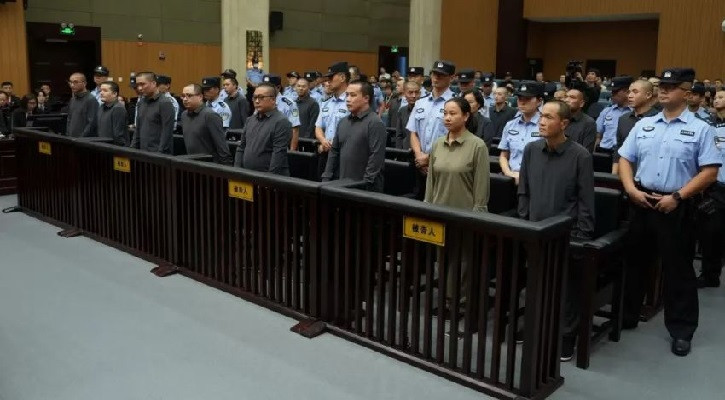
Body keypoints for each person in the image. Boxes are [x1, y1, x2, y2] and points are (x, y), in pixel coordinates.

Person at [618, 68, 721, 357]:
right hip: (642, 201)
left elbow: (710, 172)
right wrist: (631, 189)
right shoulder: (645, 125)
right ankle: (628, 315)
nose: (664, 90)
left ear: (687, 93)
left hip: (676, 205)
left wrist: (677, 197)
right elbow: (625, 158)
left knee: (679, 270)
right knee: (634, 263)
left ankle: (682, 330)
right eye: (662, 85)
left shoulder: (702, 129)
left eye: (672, 86)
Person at [518, 100, 595, 361]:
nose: (542, 121)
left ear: (564, 124)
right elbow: (524, 190)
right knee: (534, 283)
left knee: (566, 289)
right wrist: (524, 222)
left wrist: (581, 236)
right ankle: (533, 327)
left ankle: (565, 336)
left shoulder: (580, 156)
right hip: (534, 230)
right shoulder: (531, 150)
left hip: (566, 235)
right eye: (542, 116)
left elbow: (585, 201)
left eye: (549, 117)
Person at [321, 80, 386, 192]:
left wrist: (365, 183)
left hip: (366, 189)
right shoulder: (343, 122)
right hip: (343, 185)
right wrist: (326, 177)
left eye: (353, 95)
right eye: (347, 95)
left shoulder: (375, 123)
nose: (348, 99)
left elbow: (376, 157)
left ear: (366, 98)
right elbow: (334, 152)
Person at [408, 60, 456, 199]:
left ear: (452, 77)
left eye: (441, 75)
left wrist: (429, 159)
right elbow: (413, 132)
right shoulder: (420, 102)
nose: (436, 78)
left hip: (443, 164)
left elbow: (455, 137)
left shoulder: (456, 103)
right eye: (434, 74)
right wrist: (419, 156)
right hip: (419, 165)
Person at [696, 88, 725, 288]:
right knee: (711, 232)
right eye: (716, 97)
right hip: (715, 188)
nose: (716, 100)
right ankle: (709, 275)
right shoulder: (707, 125)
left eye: (721, 97)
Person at [234, 83, 291, 175]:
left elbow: (278, 154)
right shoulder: (250, 120)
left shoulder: (281, 121)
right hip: (247, 175)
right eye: (255, 97)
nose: (257, 101)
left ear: (273, 99)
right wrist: (236, 171)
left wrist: (268, 179)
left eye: (261, 97)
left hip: (269, 178)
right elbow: (241, 147)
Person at [498, 81, 544, 184]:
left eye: (527, 99)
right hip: (510, 178)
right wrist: (509, 173)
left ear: (539, 101)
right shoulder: (510, 125)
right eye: (519, 99)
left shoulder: (545, 125)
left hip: (535, 180)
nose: (522, 102)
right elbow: (503, 156)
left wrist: (524, 177)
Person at [612, 79, 659, 174]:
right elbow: (619, 150)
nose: (629, 95)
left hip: (649, 175)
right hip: (624, 173)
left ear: (648, 95)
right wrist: (614, 174)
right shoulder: (623, 119)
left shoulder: (659, 120)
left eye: (635, 92)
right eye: (629, 92)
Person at [180, 83, 232, 165]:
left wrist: (226, 168)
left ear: (200, 97)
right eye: (183, 96)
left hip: (209, 165)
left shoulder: (210, 115)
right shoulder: (184, 115)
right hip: (191, 163)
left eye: (189, 95)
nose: (185, 99)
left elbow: (222, 146)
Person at [316, 61, 351, 171]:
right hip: (326, 152)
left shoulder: (351, 102)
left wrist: (333, 143)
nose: (328, 81)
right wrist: (323, 141)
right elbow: (318, 127)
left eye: (331, 77)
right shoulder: (326, 103)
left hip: (343, 154)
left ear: (342, 78)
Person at [131, 72, 176, 154]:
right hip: (142, 152)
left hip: (158, 154)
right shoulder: (141, 102)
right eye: (138, 85)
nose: (139, 88)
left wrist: (159, 154)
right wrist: (132, 150)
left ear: (154, 83)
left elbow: (167, 133)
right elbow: (138, 129)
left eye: (143, 84)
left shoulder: (165, 103)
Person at [261, 74, 300, 150]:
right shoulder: (260, 102)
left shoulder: (289, 104)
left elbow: (295, 129)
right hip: (263, 145)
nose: (265, 90)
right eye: (264, 87)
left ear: (278, 87)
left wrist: (292, 151)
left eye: (269, 87)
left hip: (281, 145)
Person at [595, 76, 633, 152]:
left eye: (615, 92)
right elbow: (598, 136)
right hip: (604, 151)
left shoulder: (635, 113)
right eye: (612, 92)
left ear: (627, 92)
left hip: (624, 153)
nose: (612, 94)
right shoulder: (606, 111)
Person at [564, 82, 597, 153]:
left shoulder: (588, 123)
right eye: (566, 97)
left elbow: (586, 153)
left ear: (581, 103)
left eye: (572, 97)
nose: (567, 100)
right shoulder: (558, 118)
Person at [66, 72, 99, 137]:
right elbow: (69, 119)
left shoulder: (91, 100)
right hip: (71, 138)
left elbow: (91, 123)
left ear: (84, 83)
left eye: (75, 82)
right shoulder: (73, 99)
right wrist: (68, 135)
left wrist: (81, 138)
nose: (72, 85)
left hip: (83, 140)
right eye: (70, 82)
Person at [96, 82, 128, 146]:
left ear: (114, 94)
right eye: (101, 90)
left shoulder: (118, 108)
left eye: (105, 90)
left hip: (114, 148)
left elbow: (118, 135)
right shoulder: (102, 107)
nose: (101, 93)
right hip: (102, 146)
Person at [395, 81, 421, 149]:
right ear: (404, 94)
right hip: (405, 150)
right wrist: (399, 152)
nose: (414, 96)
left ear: (420, 93)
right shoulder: (402, 111)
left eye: (416, 92)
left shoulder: (426, 110)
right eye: (410, 92)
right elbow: (399, 135)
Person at [295, 73, 320, 139]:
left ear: (308, 87)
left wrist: (306, 139)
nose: (301, 88)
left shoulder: (313, 103)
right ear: (295, 87)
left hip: (306, 140)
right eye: (298, 86)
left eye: (303, 86)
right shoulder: (294, 103)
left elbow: (312, 126)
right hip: (294, 138)